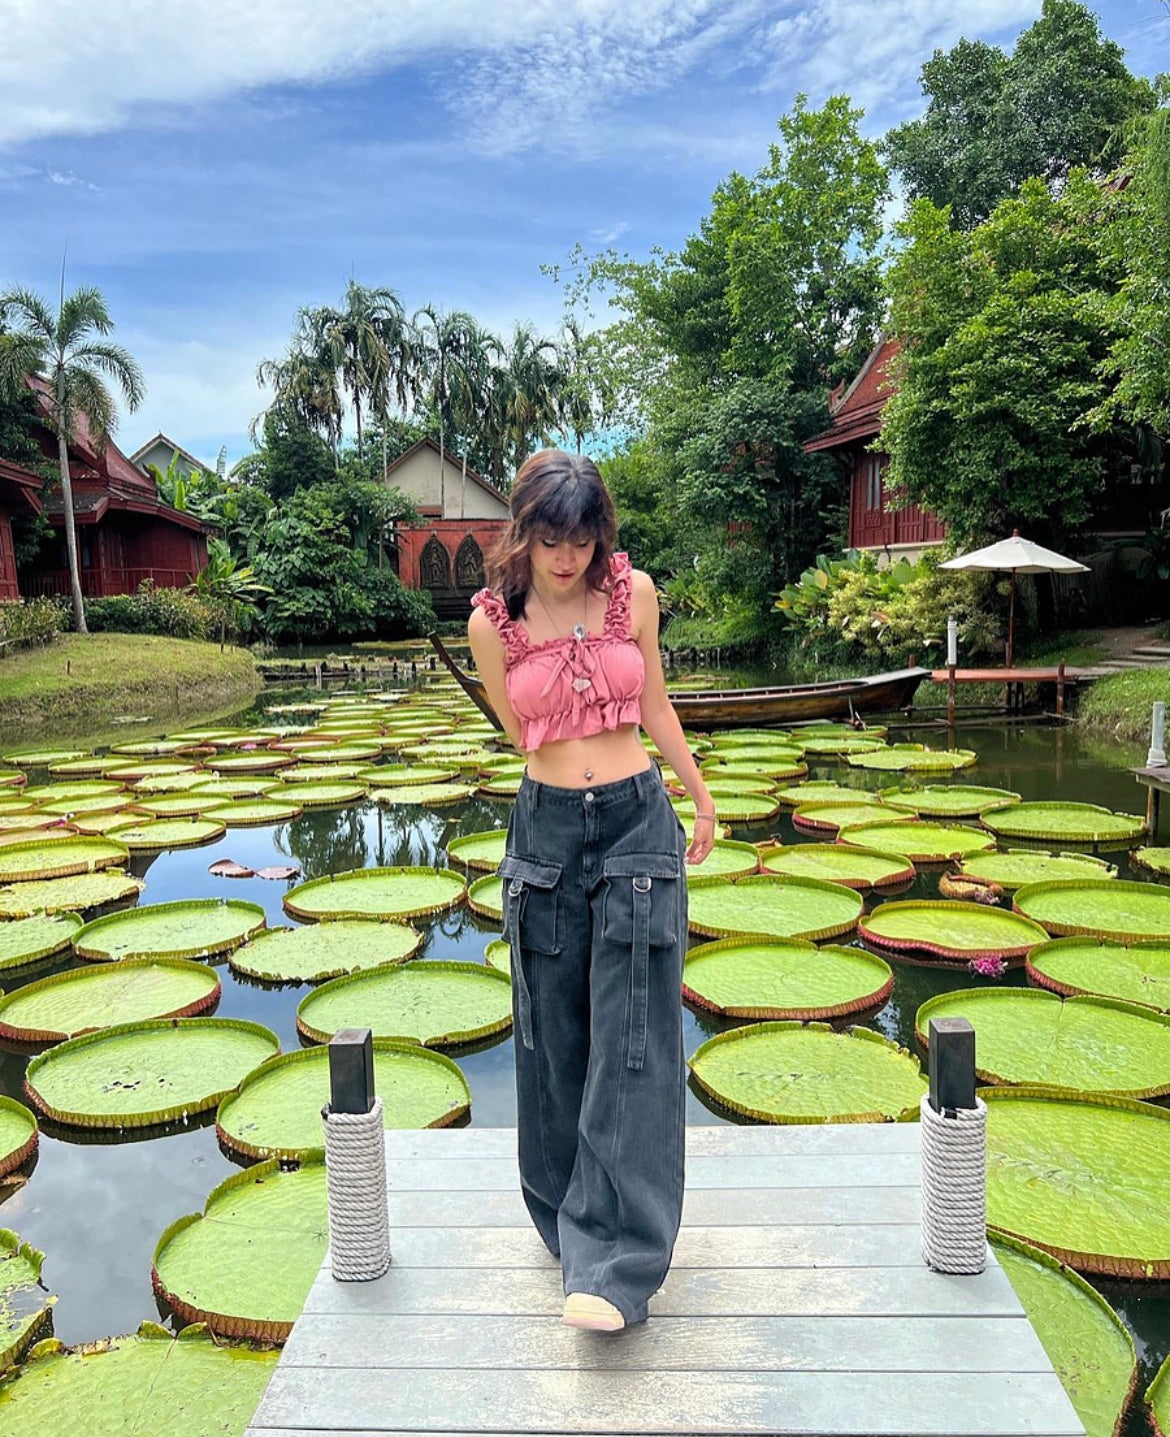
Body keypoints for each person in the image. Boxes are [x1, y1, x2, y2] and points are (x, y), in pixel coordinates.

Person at [468, 448, 717, 1334]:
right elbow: (518, 730)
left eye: (580, 538)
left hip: (634, 821)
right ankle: (566, 1218)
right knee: (551, 1029)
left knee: (636, 1033)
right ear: (524, 534)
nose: (566, 557)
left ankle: (615, 1267)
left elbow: (655, 705)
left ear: (598, 533)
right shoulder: (492, 622)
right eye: (549, 539)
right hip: (543, 830)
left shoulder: (634, 595)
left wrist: (698, 791)